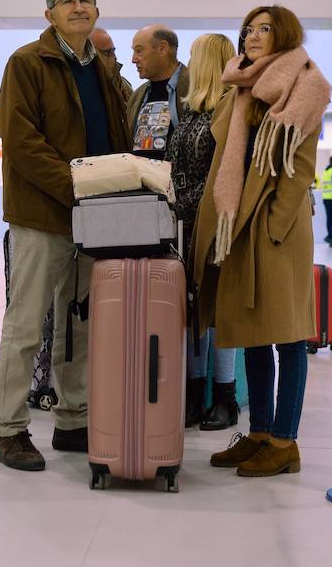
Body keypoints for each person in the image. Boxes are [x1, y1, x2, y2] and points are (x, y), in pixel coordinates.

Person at [0, 0, 129, 472]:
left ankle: (74, 419)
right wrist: (74, 183)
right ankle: (9, 431)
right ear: (49, 13)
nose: (78, 7)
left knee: (79, 325)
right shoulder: (27, 62)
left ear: (97, 11)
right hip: (41, 215)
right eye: (68, 1)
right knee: (25, 324)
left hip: (95, 218)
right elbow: (19, 137)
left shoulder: (103, 71)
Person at [189, 5, 331, 477]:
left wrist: (273, 225)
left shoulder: (304, 85)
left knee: (288, 336)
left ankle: (284, 442)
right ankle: (259, 434)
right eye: (248, 29)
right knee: (252, 333)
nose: (251, 36)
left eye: (263, 29)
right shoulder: (244, 87)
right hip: (242, 226)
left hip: (276, 229)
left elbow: (300, 166)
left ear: (284, 35)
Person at [167, 33, 238, 431]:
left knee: (215, 312)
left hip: (211, 226)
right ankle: (195, 396)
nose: (188, 64)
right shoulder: (193, 111)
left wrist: (180, 199)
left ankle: (224, 397)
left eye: (194, 56)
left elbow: (221, 176)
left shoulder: (227, 110)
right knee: (193, 311)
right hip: (184, 225)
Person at [127, 24, 189, 160]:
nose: (133, 59)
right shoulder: (137, 96)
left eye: (139, 51)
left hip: (177, 179)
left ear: (162, 49)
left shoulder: (195, 88)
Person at [89, 26, 133, 102]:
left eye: (113, 51)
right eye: (107, 52)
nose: (114, 57)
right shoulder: (76, 84)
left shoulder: (122, 85)